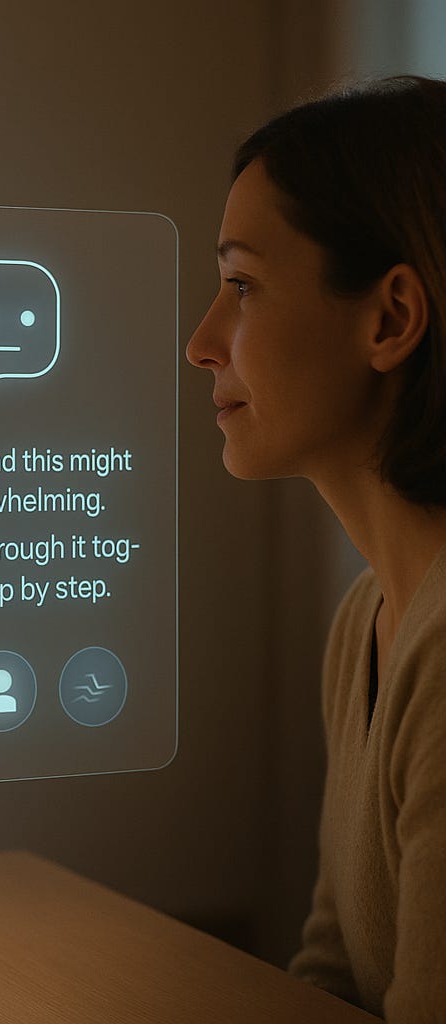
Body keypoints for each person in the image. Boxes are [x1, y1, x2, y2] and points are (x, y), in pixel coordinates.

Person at [187, 76, 446, 1022]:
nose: (202, 342)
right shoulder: (365, 621)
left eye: (243, 286)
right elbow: (331, 976)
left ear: (390, 320)